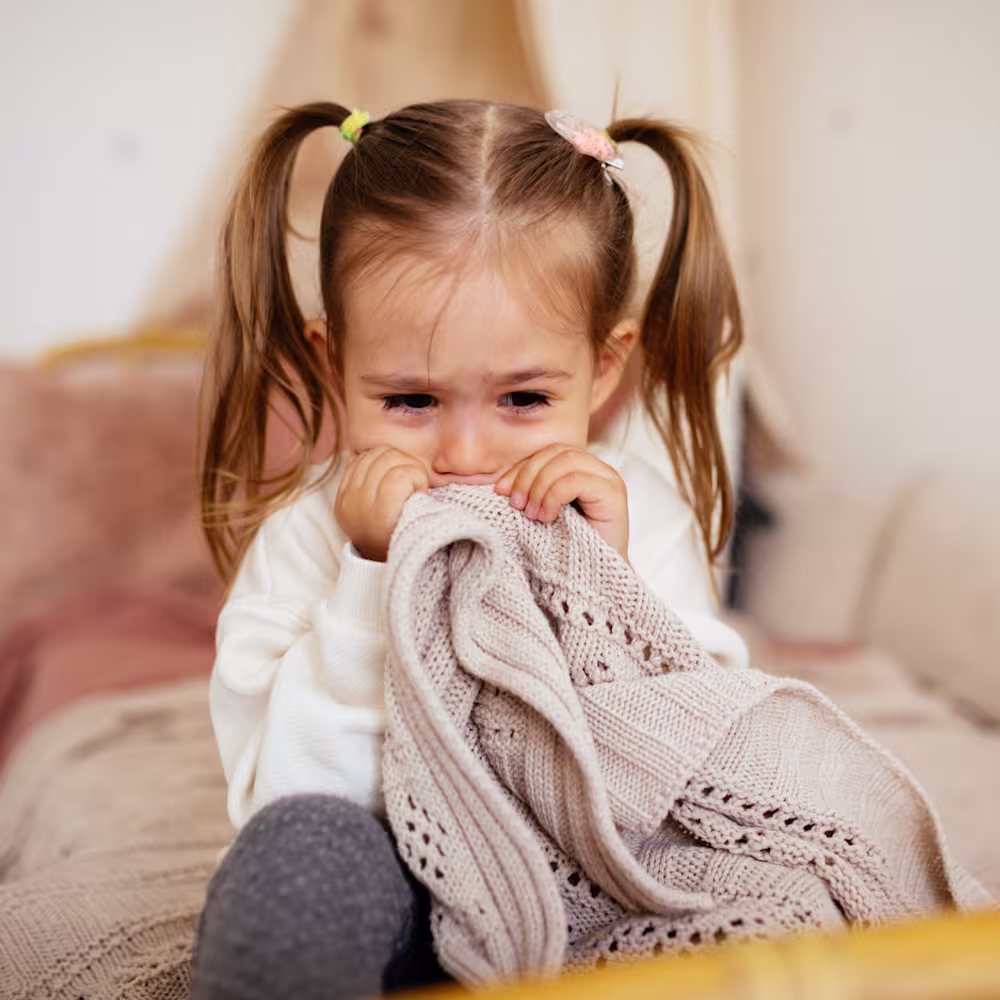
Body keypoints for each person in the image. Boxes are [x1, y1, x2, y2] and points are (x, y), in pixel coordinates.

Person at [192, 99, 748, 1000]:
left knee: (757, 878)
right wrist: (369, 580)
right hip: (396, 892)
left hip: (598, 880)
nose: (465, 455)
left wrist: (602, 586)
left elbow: (697, 771)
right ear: (333, 363)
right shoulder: (309, 535)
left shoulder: (636, 514)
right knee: (292, 860)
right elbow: (282, 797)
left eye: (523, 400)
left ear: (605, 366)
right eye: (411, 401)